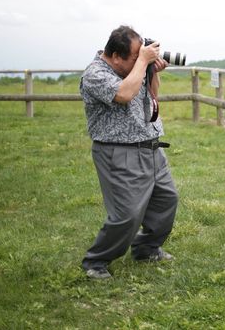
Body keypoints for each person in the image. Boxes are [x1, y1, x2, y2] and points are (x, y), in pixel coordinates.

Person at [79, 25, 179, 279]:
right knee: (127, 214)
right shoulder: (95, 74)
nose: (140, 61)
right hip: (119, 152)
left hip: (151, 147)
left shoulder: (135, 70)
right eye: (135, 57)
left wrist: (152, 71)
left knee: (166, 201)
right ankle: (96, 261)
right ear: (115, 57)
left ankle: (146, 249)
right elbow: (123, 94)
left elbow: (151, 95)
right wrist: (142, 63)